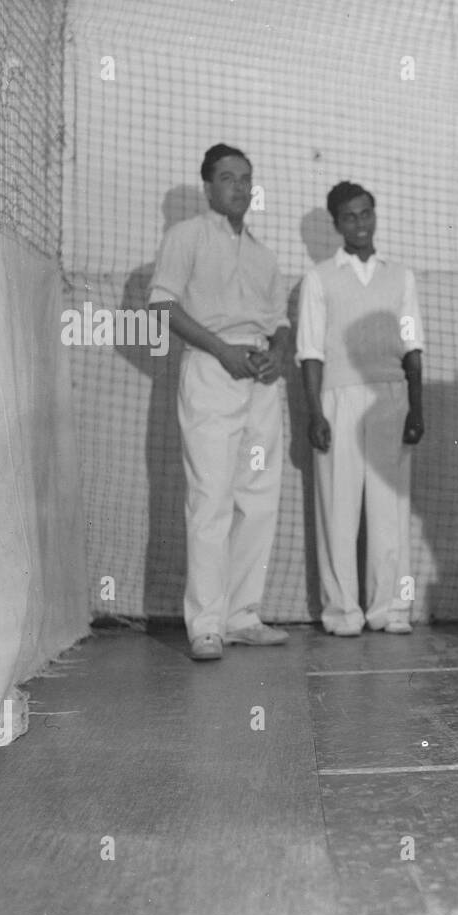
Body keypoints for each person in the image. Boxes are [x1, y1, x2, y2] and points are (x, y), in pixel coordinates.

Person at [149, 143, 292, 661]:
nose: (239, 186)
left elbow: (279, 323)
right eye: (228, 177)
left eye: (246, 177)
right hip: (210, 372)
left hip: (260, 381)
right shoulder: (184, 236)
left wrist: (277, 354)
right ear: (208, 185)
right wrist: (221, 350)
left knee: (257, 500)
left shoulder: (264, 255)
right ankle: (205, 625)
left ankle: (241, 616)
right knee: (210, 499)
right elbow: (162, 306)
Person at [296, 181, 425, 636]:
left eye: (366, 213)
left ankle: (388, 609)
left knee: (389, 511)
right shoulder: (319, 278)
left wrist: (417, 408)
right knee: (339, 509)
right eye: (350, 217)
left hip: (391, 398)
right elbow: (310, 352)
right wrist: (316, 413)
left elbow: (412, 347)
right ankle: (343, 613)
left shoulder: (401, 276)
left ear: (375, 215)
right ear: (336, 225)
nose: (360, 224)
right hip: (337, 399)